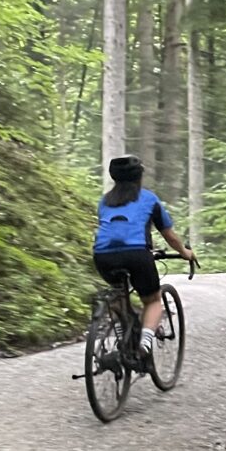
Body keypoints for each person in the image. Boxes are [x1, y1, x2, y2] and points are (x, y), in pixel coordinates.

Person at [93, 155, 196, 367]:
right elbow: (169, 235)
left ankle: (121, 337)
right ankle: (144, 345)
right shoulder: (149, 199)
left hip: (103, 256)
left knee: (117, 296)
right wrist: (185, 252)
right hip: (137, 254)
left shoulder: (105, 201)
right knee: (153, 300)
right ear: (139, 177)